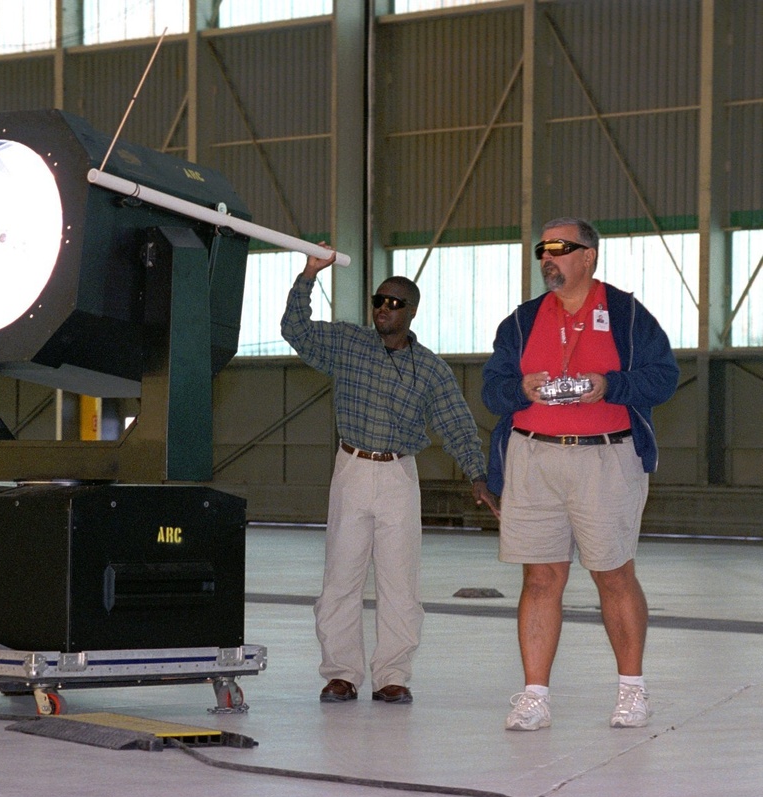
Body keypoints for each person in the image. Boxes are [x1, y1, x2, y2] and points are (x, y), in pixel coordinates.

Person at [481, 218, 678, 731]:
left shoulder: (628, 315)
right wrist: (521, 389)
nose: (547, 257)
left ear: (588, 255)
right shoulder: (521, 321)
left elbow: (664, 377)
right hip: (533, 458)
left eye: (559, 248)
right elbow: (492, 389)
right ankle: (534, 697)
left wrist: (610, 385)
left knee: (613, 575)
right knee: (540, 578)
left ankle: (632, 691)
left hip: (605, 459)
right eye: (541, 250)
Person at [282, 245, 498, 705]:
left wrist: (478, 476)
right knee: (341, 579)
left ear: (411, 312)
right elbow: (295, 330)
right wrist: (309, 275)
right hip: (351, 469)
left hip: (399, 475)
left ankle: (392, 676)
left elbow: (457, 425)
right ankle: (341, 673)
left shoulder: (431, 370)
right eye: (378, 300)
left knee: (400, 583)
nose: (383, 308)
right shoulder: (348, 345)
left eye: (394, 302)